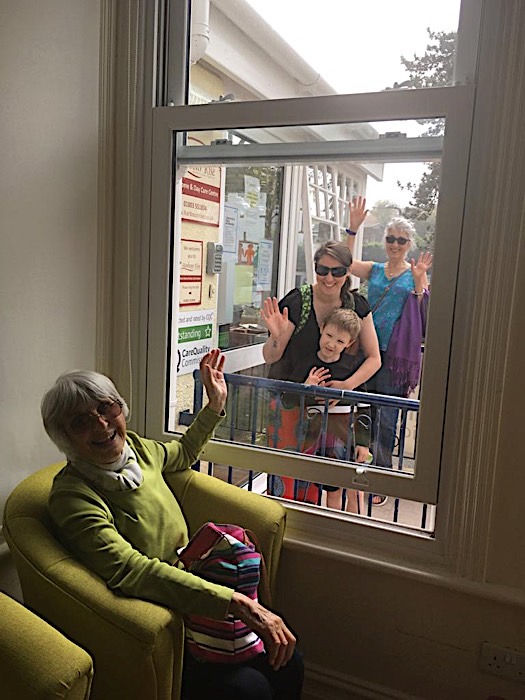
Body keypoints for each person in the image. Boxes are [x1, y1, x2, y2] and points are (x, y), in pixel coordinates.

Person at [41, 350, 303, 700]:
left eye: (106, 408)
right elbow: (131, 570)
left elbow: (182, 453)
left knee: (290, 661)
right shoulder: (72, 496)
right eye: (80, 422)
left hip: (198, 580)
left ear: (120, 408)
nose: (102, 425)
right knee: (248, 689)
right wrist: (235, 602)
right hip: (163, 613)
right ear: (64, 438)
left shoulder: (137, 450)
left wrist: (215, 404)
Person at [261, 240, 380, 502]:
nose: (329, 278)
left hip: (333, 415)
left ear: (348, 272)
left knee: (327, 481)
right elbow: (271, 356)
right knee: (284, 478)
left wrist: (347, 386)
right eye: (322, 270)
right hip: (290, 404)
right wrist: (276, 337)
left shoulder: (357, 306)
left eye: (337, 271)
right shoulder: (296, 301)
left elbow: (374, 359)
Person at [346, 197, 432, 497]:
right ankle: (359, 471)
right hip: (366, 350)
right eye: (391, 239)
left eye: (401, 240)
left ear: (409, 244)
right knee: (362, 410)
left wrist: (419, 283)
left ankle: (382, 478)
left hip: (394, 357)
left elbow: (423, 315)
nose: (395, 244)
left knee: (386, 416)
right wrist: (352, 229)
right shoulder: (376, 270)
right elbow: (345, 265)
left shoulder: (415, 273)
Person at [286, 308, 371, 512]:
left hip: (347, 436)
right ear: (321, 328)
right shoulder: (306, 364)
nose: (331, 344)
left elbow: (364, 408)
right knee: (328, 490)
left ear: (349, 343)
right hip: (316, 437)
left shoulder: (352, 368)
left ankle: (352, 527)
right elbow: (288, 400)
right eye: (329, 335)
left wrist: (363, 443)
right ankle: (327, 527)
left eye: (340, 341)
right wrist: (306, 387)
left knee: (352, 489)